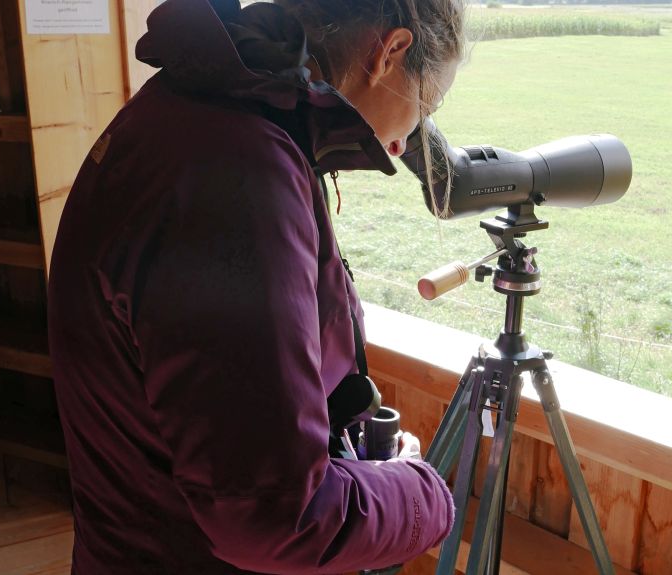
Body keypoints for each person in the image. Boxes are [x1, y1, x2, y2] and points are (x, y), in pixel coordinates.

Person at [47, 0, 465, 572]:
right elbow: (274, 517)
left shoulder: (200, 107)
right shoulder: (239, 173)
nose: (405, 142)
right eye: (427, 104)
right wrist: (422, 495)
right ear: (388, 53)